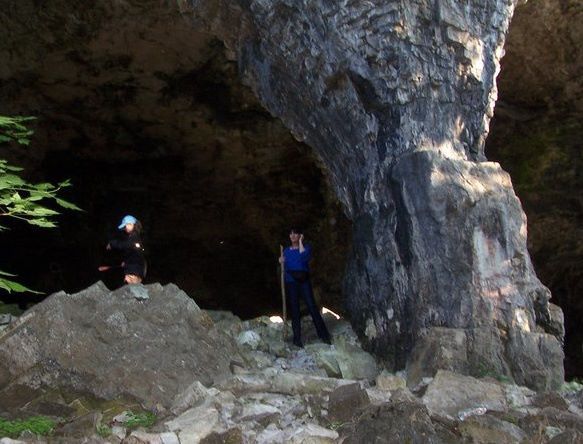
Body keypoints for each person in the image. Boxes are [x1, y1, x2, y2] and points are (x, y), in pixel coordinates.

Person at [279, 227, 331, 348]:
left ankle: (324, 335)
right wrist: (281, 261)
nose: (292, 236)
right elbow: (285, 266)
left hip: (304, 281)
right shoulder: (285, 251)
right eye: (290, 233)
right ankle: (297, 340)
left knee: (312, 307)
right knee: (295, 310)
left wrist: (301, 241)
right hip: (291, 282)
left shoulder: (306, 248)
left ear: (299, 236)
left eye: (295, 234)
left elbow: (303, 257)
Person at [106, 215, 147, 284]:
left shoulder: (134, 237)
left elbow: (124, 245)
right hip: (133, 269)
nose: (125, 228)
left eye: (127, 225)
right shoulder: (132, 237)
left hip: (134, 271)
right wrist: (126, 262)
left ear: (132, 224)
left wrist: (112, 243)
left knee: (131, 289)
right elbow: (132, 253)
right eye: (125, 226)